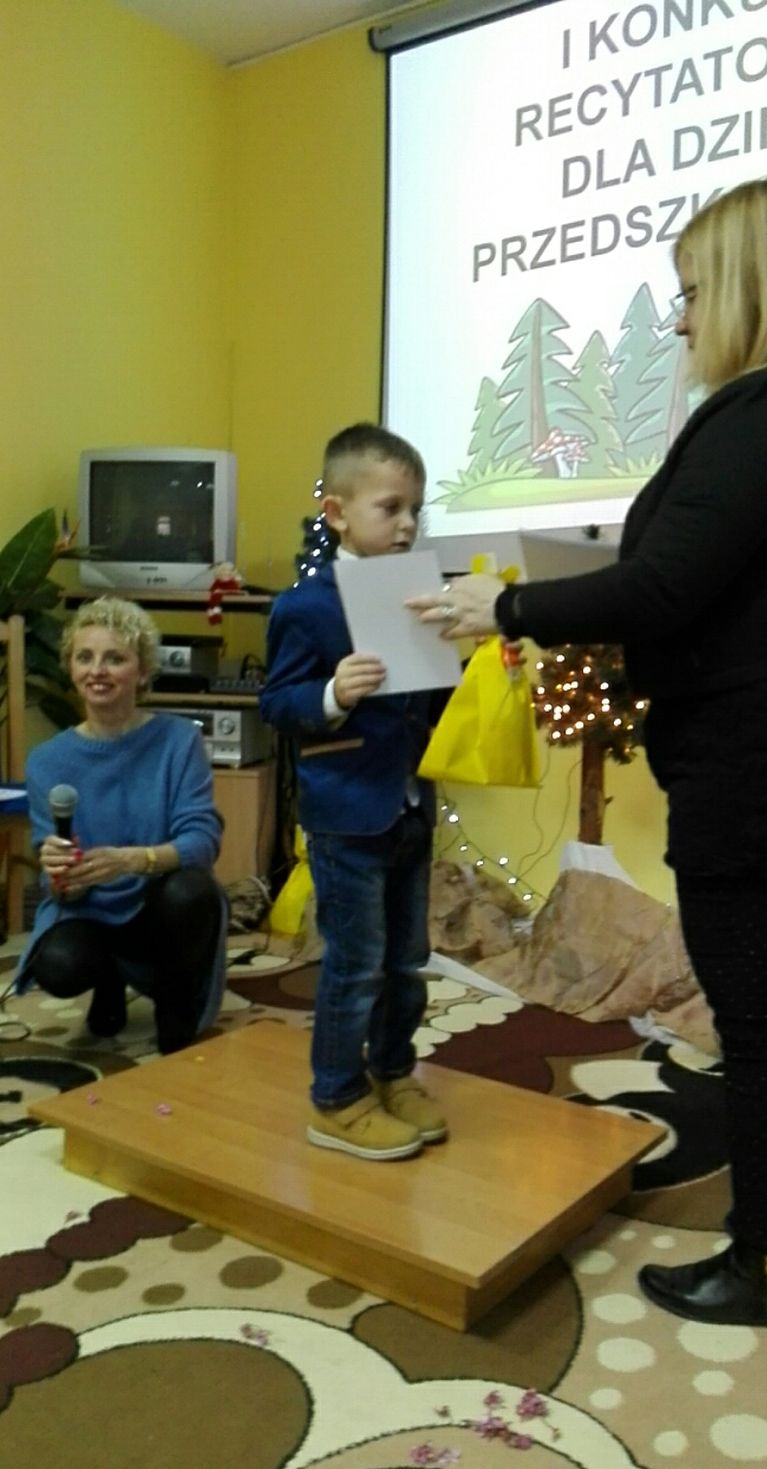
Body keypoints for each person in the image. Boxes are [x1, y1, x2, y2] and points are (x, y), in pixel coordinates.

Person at [409, 175, 767, 1334]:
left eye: (693, 292)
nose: (683, 321)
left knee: (761, 1023)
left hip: (761, 773)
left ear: (749, 286)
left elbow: (663, 585)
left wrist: (504, 607)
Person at [260, 422, 450, 1161]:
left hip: (410, 806)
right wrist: (332, 693)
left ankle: (392, 1071)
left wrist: (464, 660)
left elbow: (428, 705)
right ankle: (336, 1097)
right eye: (390, 507)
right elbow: (278, 703)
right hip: (345, 814)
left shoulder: (419, 594)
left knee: (406, 959)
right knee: (356, 962)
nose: (406, 524)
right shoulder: (304, 607)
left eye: (415, 511)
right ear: (336, 512)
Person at [18, 596, 228, 1054]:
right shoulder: (47, 761)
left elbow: (202, 842)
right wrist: (61, 874)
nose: (98, 671)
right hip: (90, 911)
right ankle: (109, 979)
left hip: (162, 906)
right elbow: (58, 888)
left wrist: (133, 861)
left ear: (143, 672)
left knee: (192, 890)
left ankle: (174, 1003)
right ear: (71, 668)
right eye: (85, 657)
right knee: (57, 966)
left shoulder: (179, 741)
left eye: (115, 658)